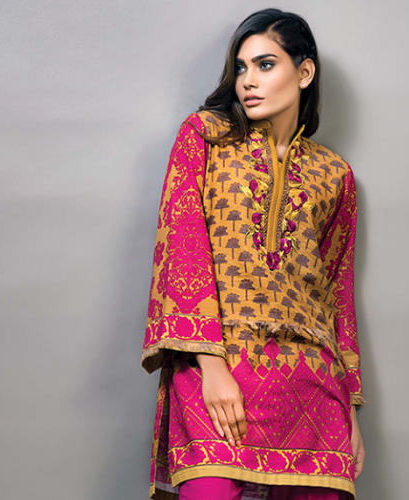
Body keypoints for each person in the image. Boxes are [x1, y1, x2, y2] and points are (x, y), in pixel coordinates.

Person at [141, 8, 365, 500]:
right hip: (217, 370)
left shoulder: (335, 176)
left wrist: (350, 405)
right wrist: (211, 366)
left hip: (312, 386)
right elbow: (183, 249)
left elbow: (336, 292)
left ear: (304, 72)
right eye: (241, 67)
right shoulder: (204, 138)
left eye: (265, 65)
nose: (248, 80)